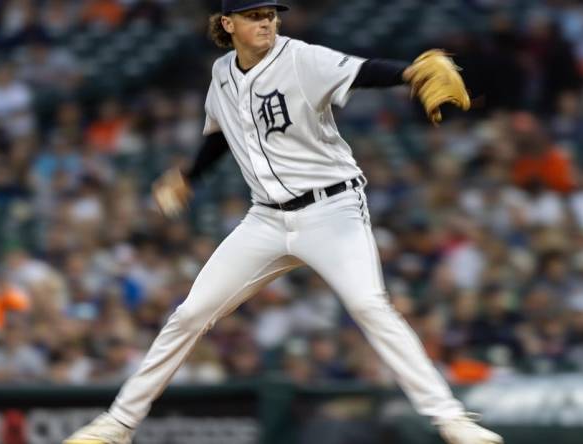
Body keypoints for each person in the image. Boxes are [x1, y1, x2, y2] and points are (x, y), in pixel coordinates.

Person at [64, 1, 502, 443]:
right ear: (227, 23)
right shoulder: (221, 74)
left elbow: (362, 70)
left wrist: (409, 73)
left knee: (370, 306)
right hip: (266, 221)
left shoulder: (300, 57)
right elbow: (221, 134)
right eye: (254, 15)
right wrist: (190, 177)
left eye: (270, 14)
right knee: (190, 314)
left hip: (331, 212)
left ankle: (451, 420)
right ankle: (118, 424)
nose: (266, 22)